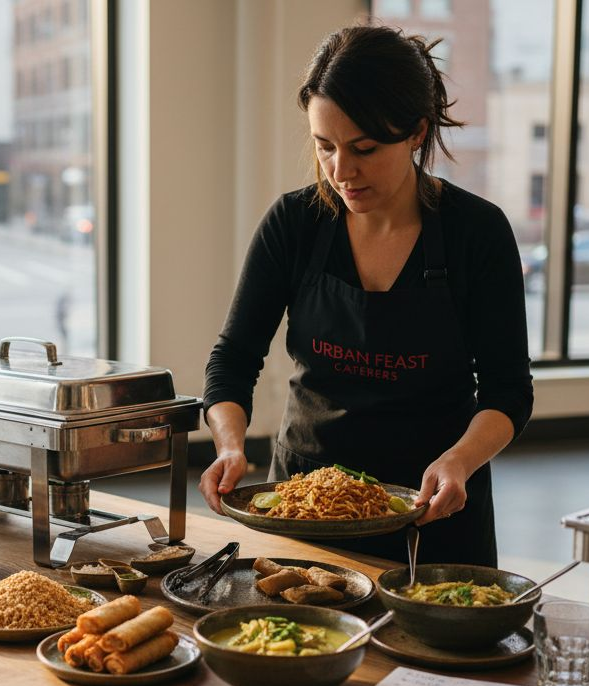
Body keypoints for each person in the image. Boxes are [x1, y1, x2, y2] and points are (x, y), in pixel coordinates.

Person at [198, 25, 533, 567]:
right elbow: (232, 361)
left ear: (417, 133)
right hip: (305, 505)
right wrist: (231, 446)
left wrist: (459, 461)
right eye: (324, 146)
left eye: (365, 149)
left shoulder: (478, 232)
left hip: (433, 507)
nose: (341, 172)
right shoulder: (294, 223)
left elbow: (508, 391)